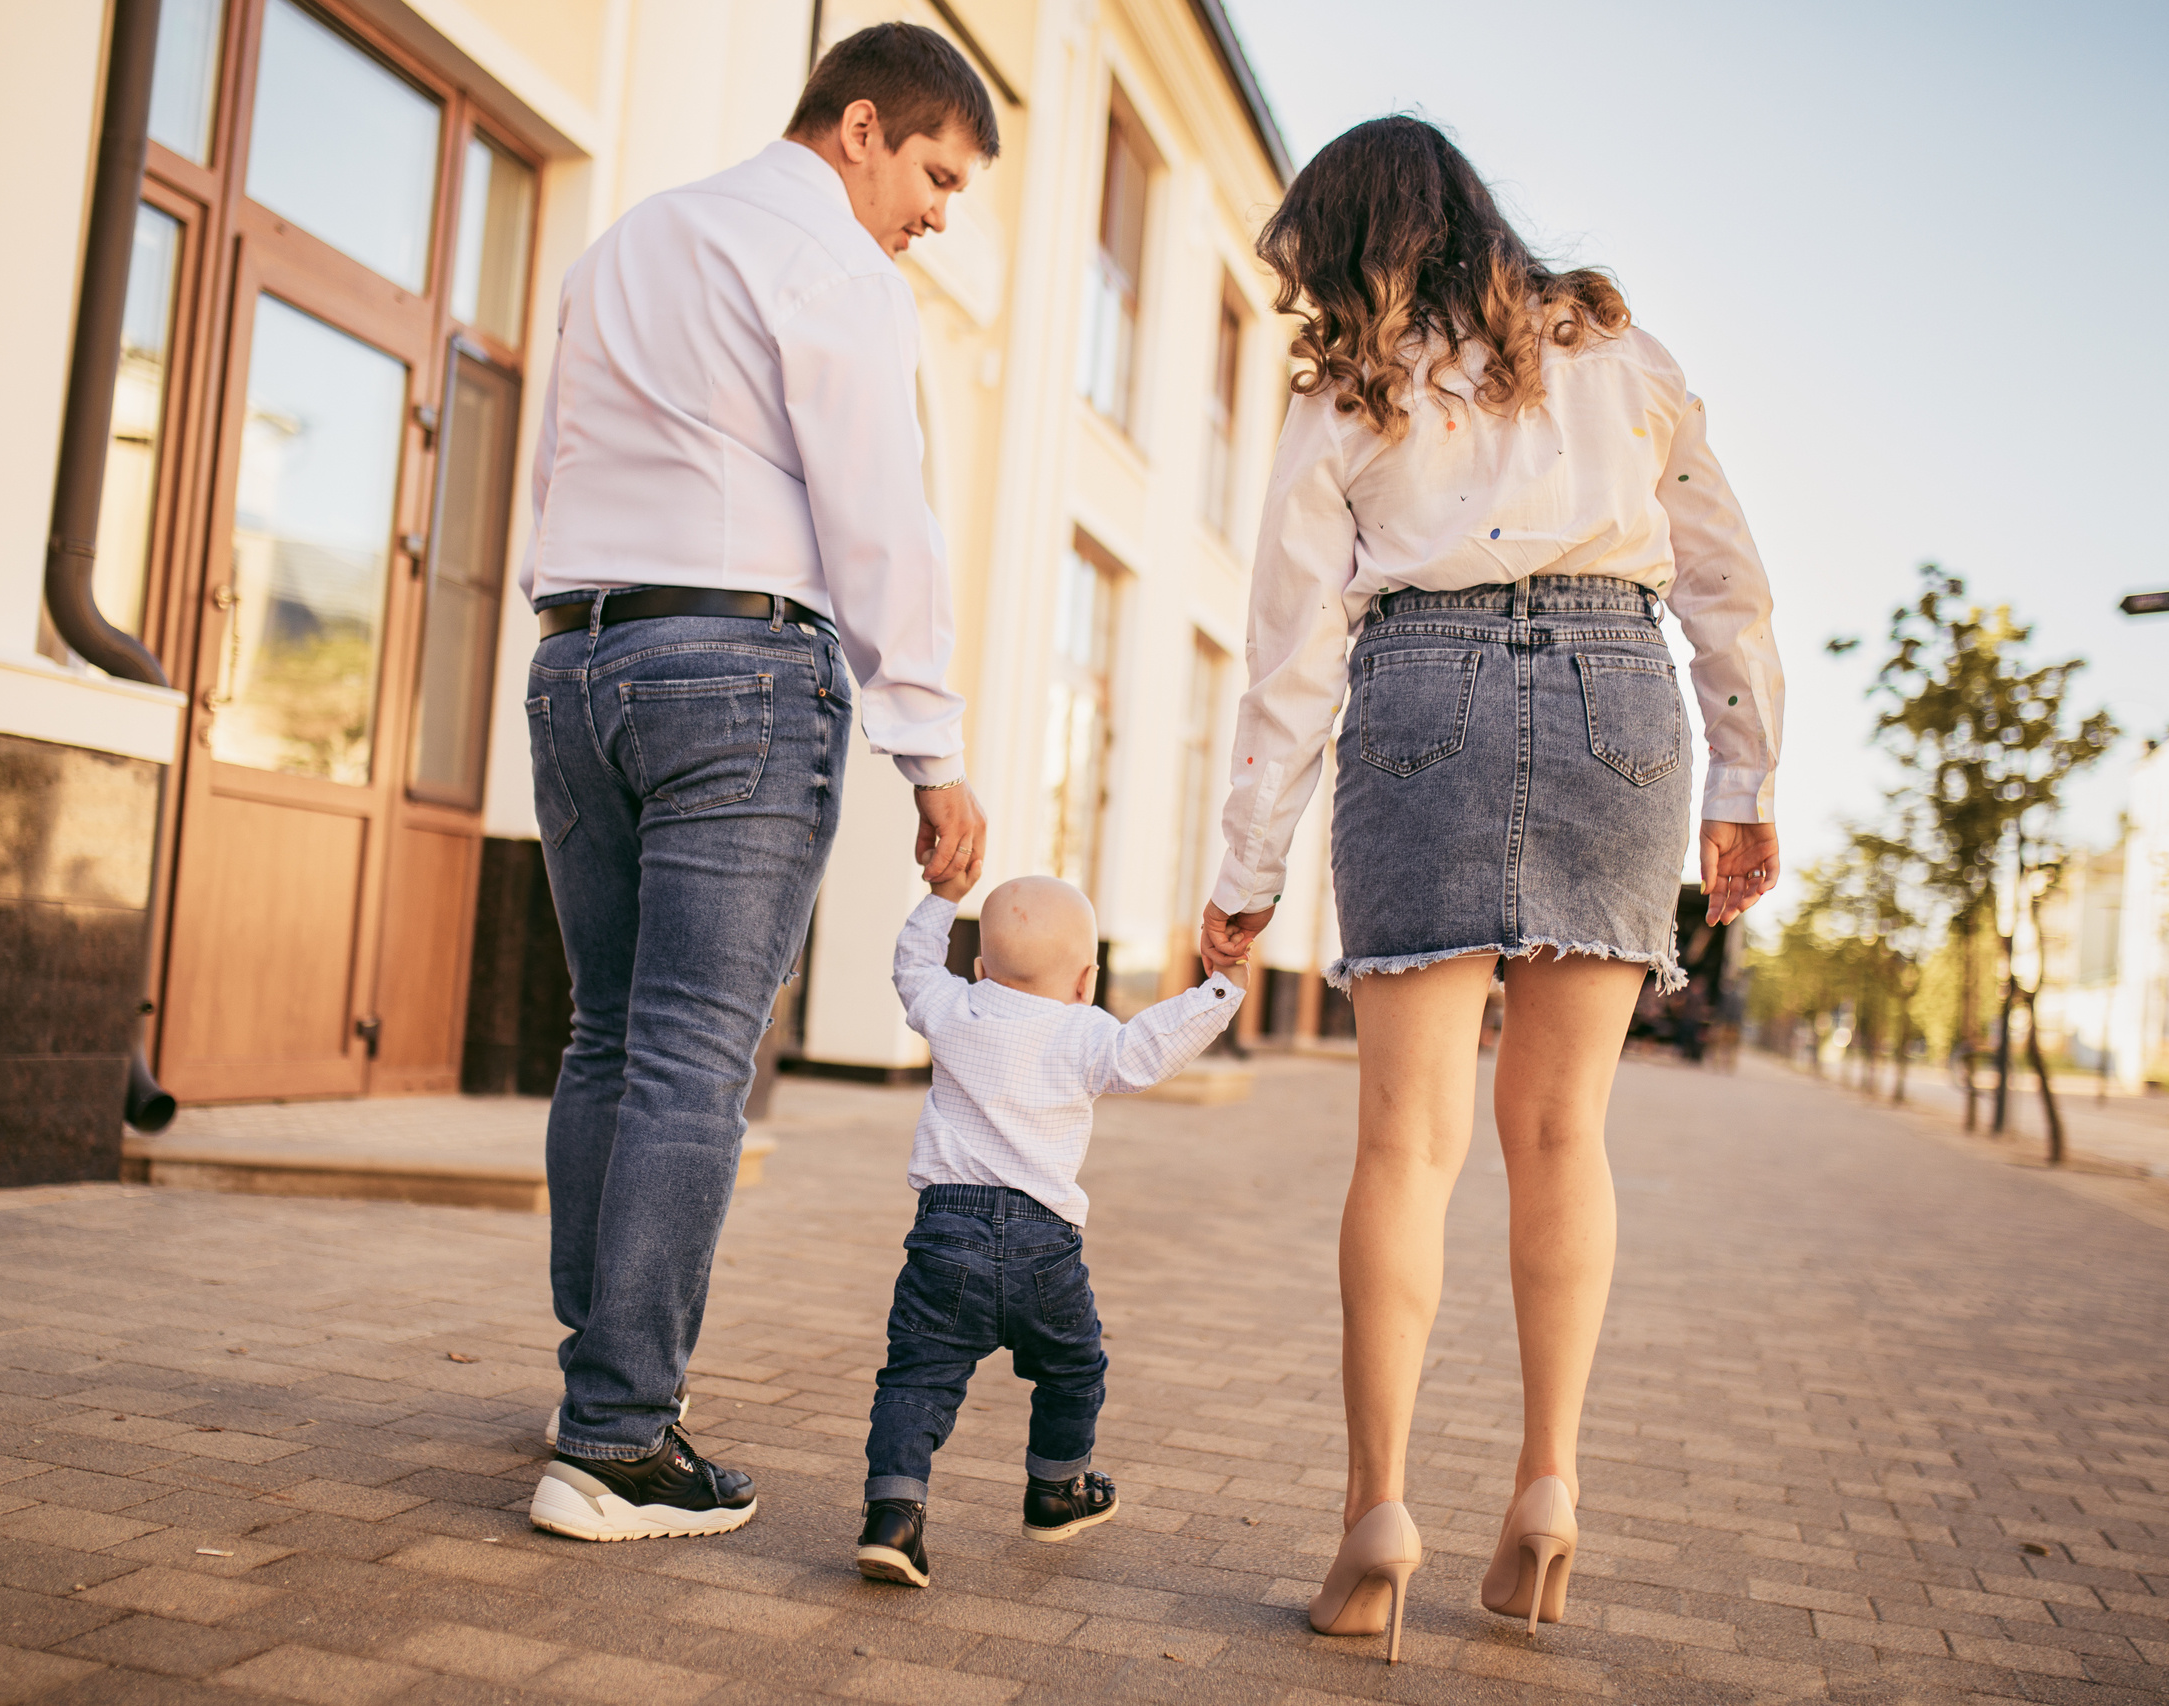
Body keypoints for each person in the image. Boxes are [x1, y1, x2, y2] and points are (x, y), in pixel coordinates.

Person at [1200, 116, 1783, 1659]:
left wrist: (1243, 868)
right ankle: (1546, 1488)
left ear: (1355, 250)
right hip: (1618, 694)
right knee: (1561, 1129)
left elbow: (1290, 654)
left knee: (1407, 1136)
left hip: (1423, 691)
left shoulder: (1349, 393)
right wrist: (1743, 783)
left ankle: (1377, 1514)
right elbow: (1724, 580)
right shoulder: (1629, 356)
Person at [521, 23, 997, 1544]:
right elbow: (881, 518)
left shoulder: (631, 240)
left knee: (609, 1039)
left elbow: (559, 462)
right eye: (934, 173)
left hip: (577, 658)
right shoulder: (834, 270)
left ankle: (594, 1388)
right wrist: (934, 745)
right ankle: (614, 1440)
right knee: (685, 1058)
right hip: (735, 671)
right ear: (858, 127)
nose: (938, 214)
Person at [855, 871, 1245, 1588]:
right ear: (1086, 979)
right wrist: (1221, 987)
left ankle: (893, 1517)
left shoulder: (952, 1006)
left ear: (979, 968)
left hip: (945, 1236)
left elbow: (911, 964)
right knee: (1072, 1371)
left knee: (917, 1375)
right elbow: (1153, 1046)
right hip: (1045, 1250)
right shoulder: (1086, 1030)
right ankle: (1056, 1489)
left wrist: (943, 895)